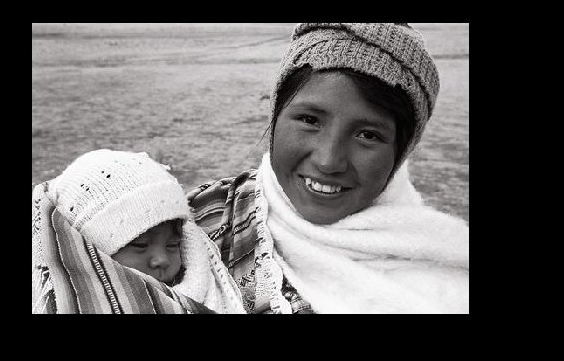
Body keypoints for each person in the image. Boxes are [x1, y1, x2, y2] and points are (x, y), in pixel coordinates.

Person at [186, 23, 469, 314]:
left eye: (368, 135)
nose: (328, 161)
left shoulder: (449, 283)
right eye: (310, 120)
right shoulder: (194, 223)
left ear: (400, 152)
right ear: (276, 116)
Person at [31, 150, 246, 314]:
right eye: (140, 245)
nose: (161, 259)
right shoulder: (70, 301)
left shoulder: (205, 294)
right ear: (90, 248)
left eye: (172, 245)